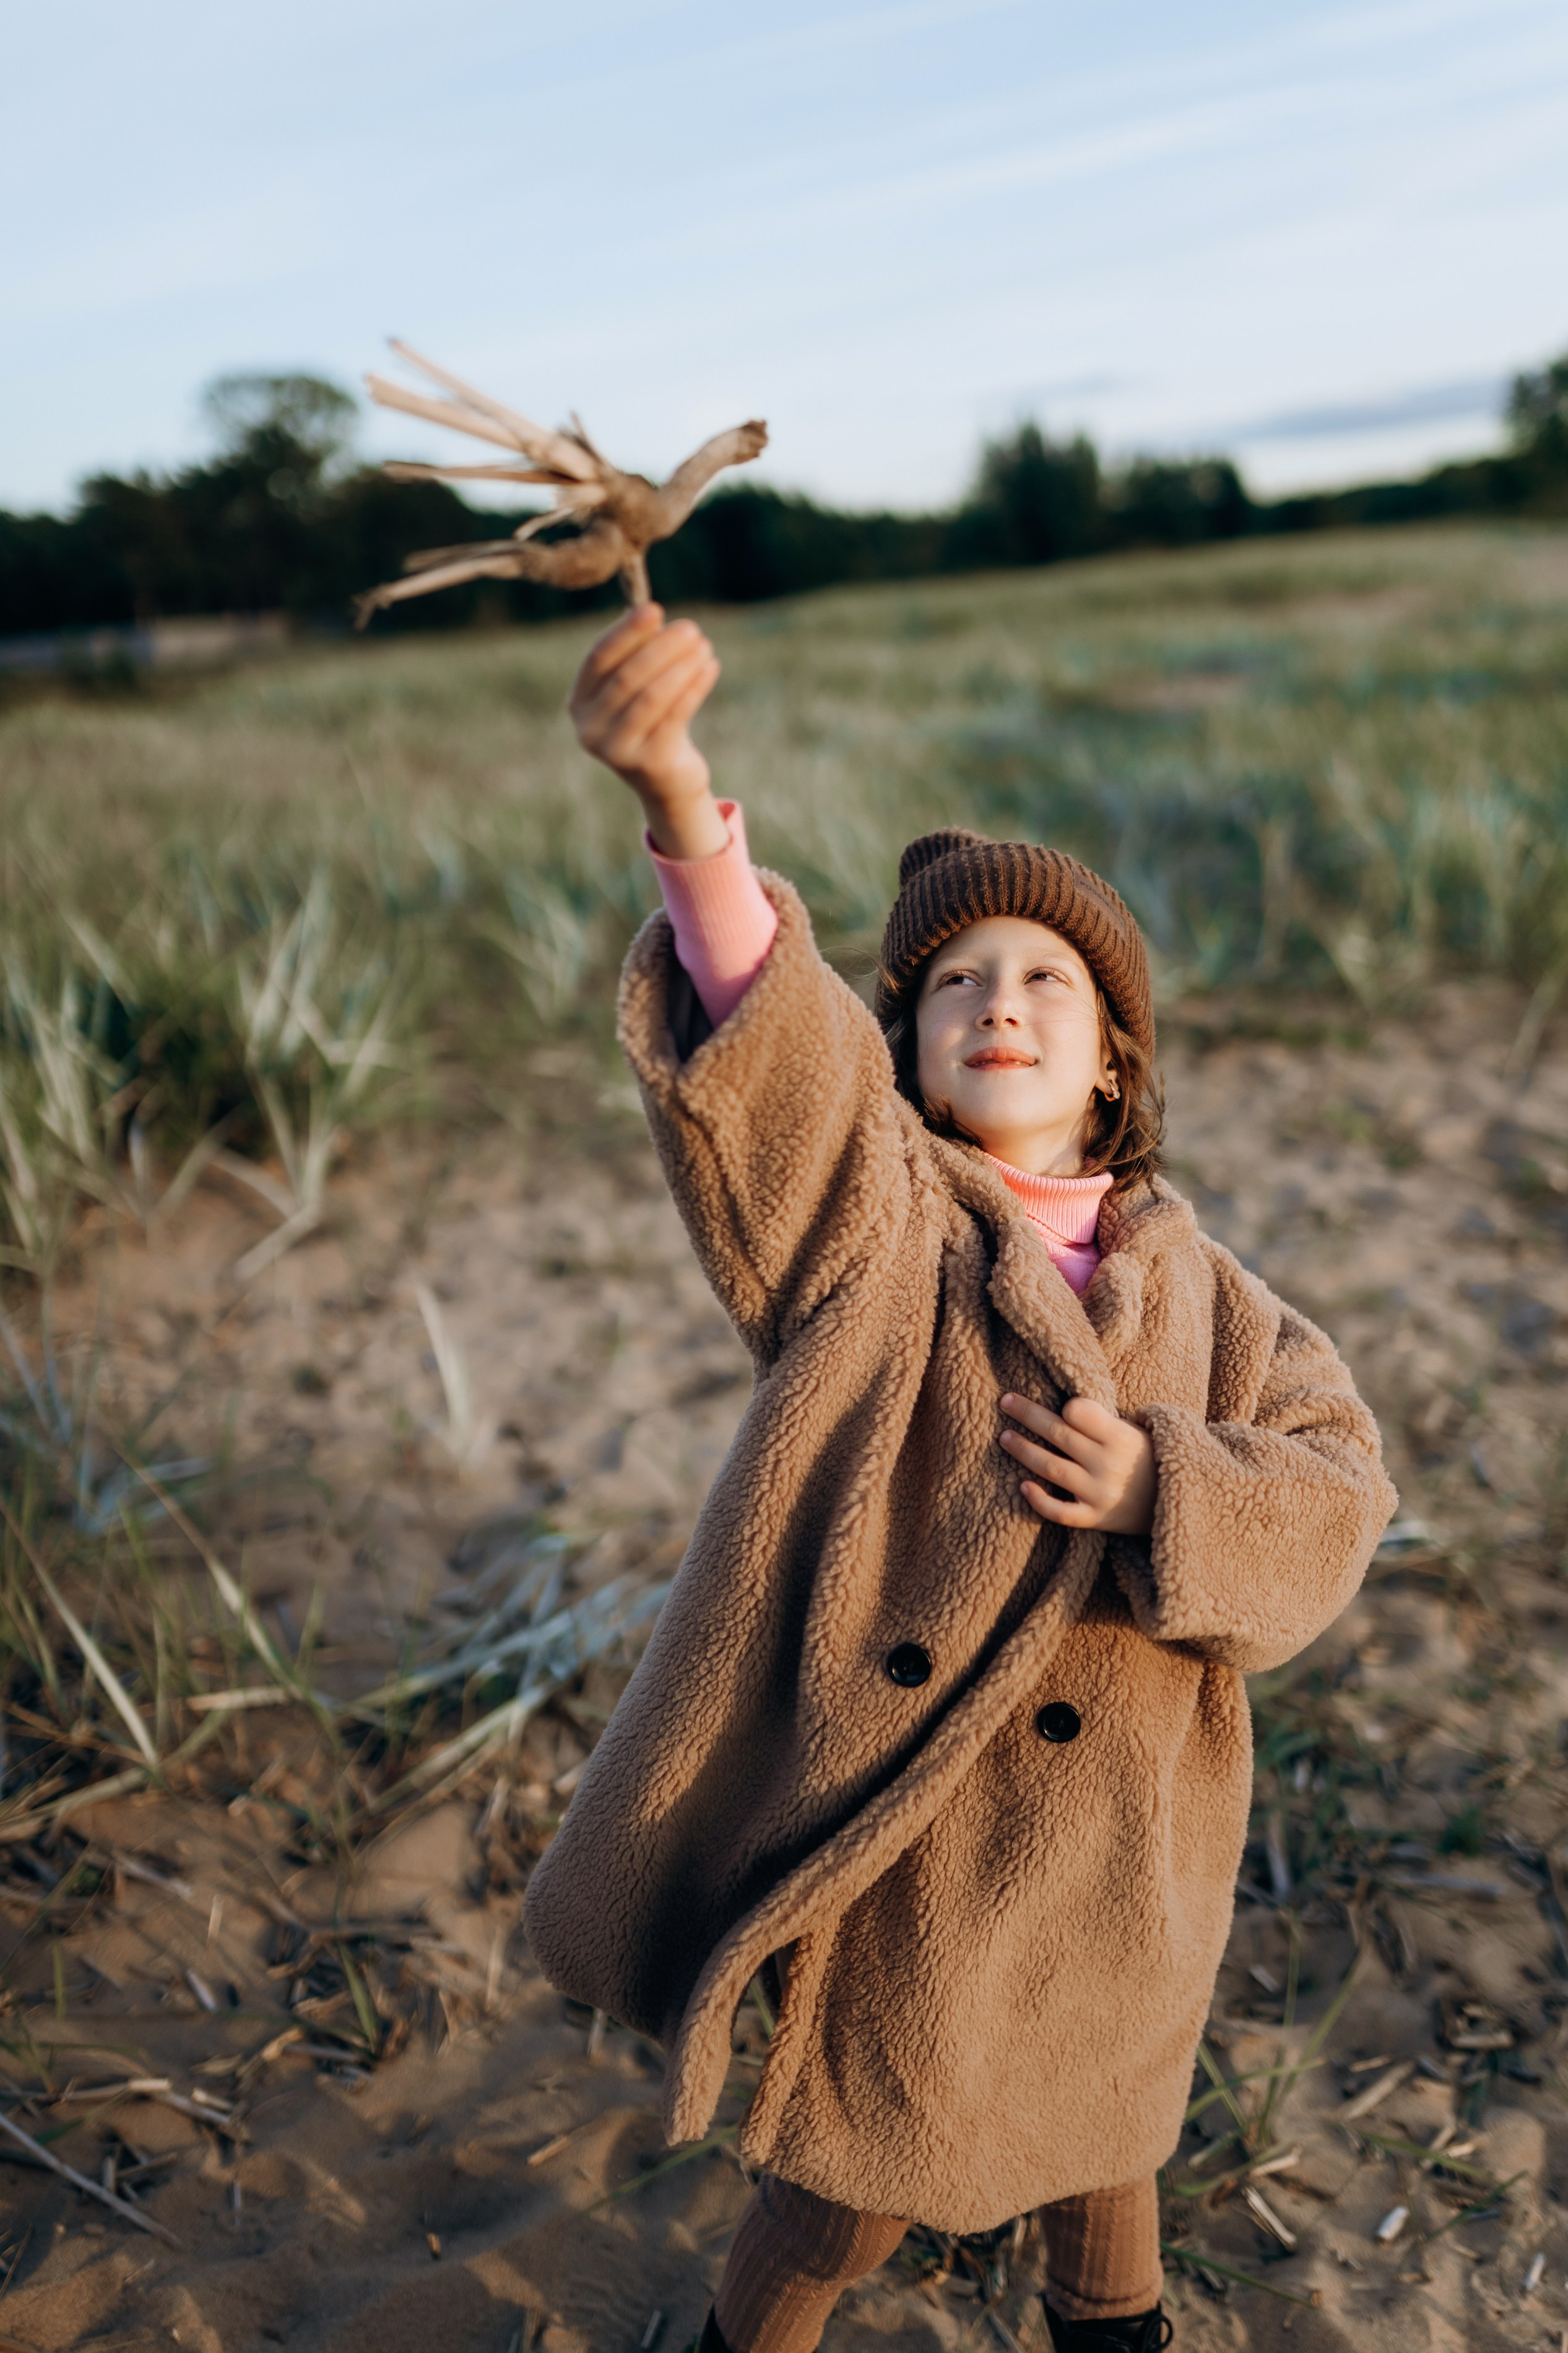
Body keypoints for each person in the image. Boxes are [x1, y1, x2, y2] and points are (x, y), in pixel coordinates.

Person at [523, 606, 1396, 2352]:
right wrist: (687, 800)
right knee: (849, 2176)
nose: (999, 1001)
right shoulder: (876, 1228)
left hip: (1124, 1849)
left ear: (1115, 1062)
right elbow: (781, 1060)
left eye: (1045, 982)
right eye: (952, 989)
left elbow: (1340, 1487)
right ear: (907, 1050)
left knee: (1111, 2141)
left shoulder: (1214, 1295)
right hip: (925, 1841)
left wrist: (1173, 1491)